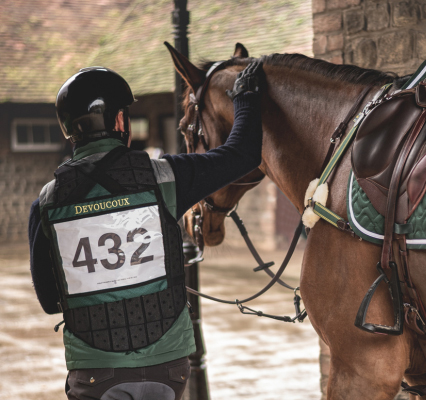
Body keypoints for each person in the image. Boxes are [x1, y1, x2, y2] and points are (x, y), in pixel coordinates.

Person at [28, 63, 263, 400]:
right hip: (166, 369)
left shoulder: (47, 203)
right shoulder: (168, 176)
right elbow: (242, 154)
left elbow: (50, 301)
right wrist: (246, 97)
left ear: (70, 129)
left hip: (96, 372)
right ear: (120, 122)